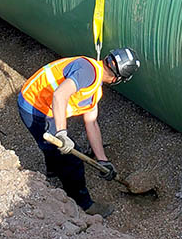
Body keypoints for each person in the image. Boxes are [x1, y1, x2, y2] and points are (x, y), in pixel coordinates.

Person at [18, 48, 141, 218]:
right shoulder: (87, 72)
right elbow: (60, 95)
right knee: (72, 159)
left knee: (53, 147)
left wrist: (103, 160)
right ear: (116, 79)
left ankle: (53, 170)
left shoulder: (95, 86)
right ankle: (84, 203)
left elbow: (92, 123)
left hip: (42, 106)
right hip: (35, 107)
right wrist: (62, 133)